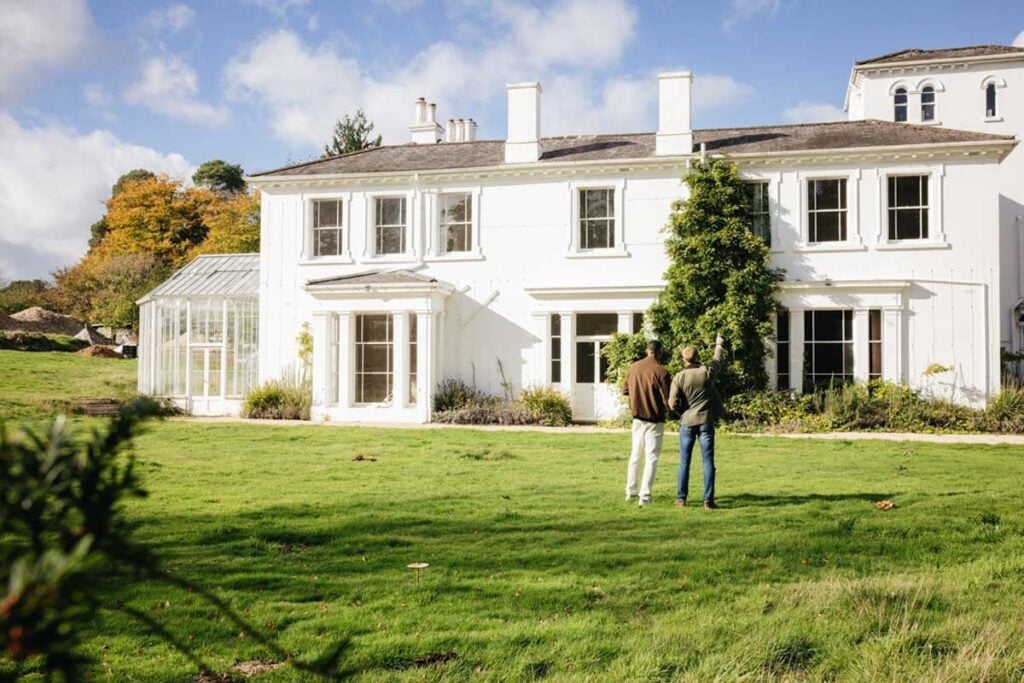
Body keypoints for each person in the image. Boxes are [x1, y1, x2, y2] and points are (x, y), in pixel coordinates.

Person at [668, 334, 725, 510]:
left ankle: (681, 499)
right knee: (708, 461)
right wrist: (719, 345)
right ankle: (708, 500)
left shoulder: (679, 377)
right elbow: (717, 361)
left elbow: (672, 403)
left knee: (684, 461)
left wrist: (682, 412)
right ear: (698, 356)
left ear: (684, 359)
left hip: (687, 421)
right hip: (706, 420)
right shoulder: (706, 373)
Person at [622, 340, 672, 507]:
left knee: (635, 455)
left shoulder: (633, 368)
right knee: (651, 457)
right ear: (659, 352)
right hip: (654, 418)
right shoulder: (661, 371)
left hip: (637, 417)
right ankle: (645, 495)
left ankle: (630, 491)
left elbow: (625, 390)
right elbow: (667, 399)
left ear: (647, 350)